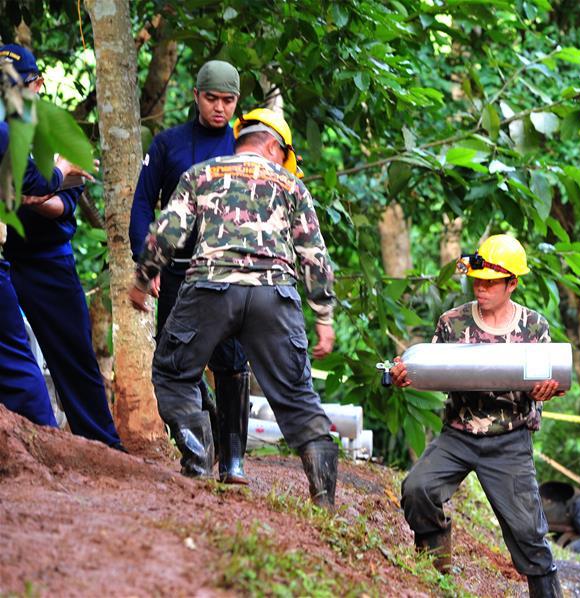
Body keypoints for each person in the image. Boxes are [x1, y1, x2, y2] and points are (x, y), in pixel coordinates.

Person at [127, 108, 339, 507]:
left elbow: (166, 233)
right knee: (297, 393)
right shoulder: (291, 186)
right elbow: (314, 256)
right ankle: (324, 498)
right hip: (273, 296)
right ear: (274, 146)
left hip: (211, 288)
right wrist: (323, 318)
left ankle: (197, 464)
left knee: (173, 372)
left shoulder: (201, 174)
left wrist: (142, 280)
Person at [390, 234, 564, 598]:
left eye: (490, 283)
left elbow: (547, 380)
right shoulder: (452, 323)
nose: (481, 288)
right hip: (458, 434)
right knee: (418, 489)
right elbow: (431, 371)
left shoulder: (534, 328)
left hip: (509, 440)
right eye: (477, 281)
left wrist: (545, 390)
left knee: (529, 532)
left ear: (512, 283)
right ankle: (435, 579)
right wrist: (406, 376)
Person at [129, 59, 251, 482]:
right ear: (196, 96)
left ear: (237, 102)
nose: (220, 107)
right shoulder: (168, 145)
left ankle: (233, 460)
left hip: (231, 272)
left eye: (228, 100)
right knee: (175, 359)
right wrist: (146, 259)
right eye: (212, 98)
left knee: (232, 363)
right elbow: (144, 204)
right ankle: (197, 447)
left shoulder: (244, 147)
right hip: (179, 270)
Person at [0, 43, 123, 450]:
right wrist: (46, 181)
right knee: (14, 353)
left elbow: (59, 203)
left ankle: (102, 444)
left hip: (45, 259)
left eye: (22, 85)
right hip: (6, 255)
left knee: (73, 356)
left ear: (39, 83)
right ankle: (23, 438)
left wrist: (35, 189)